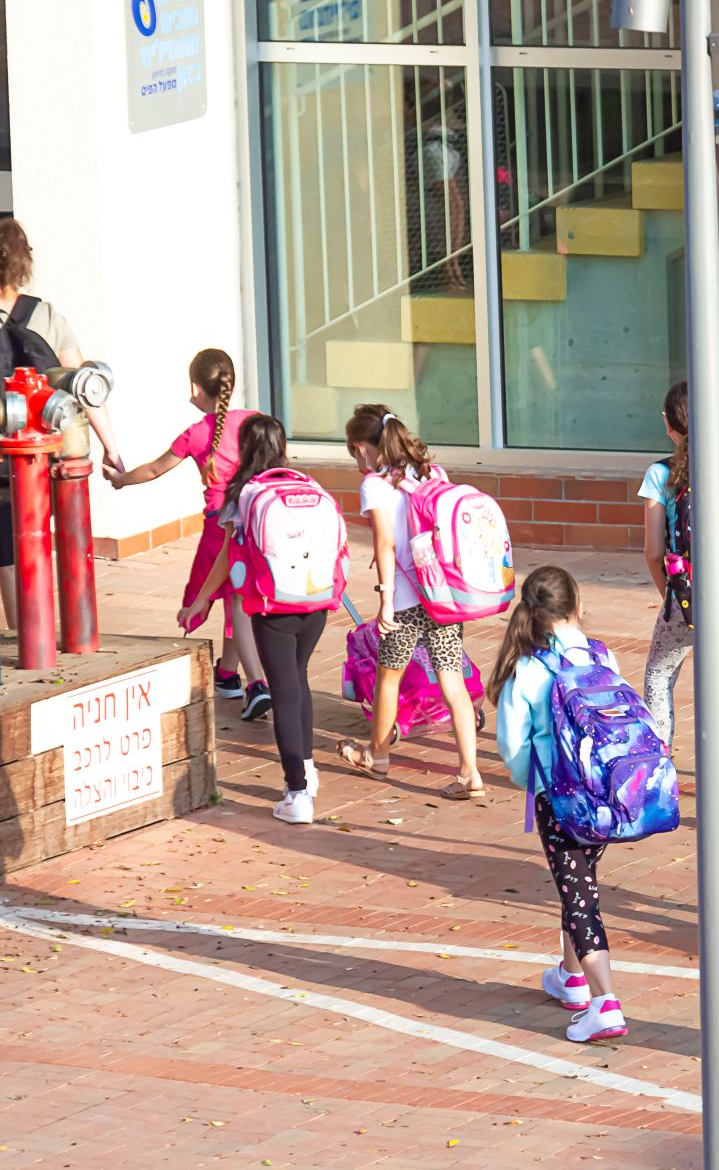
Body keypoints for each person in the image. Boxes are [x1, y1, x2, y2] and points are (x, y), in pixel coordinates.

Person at [0, 219, 125, 627]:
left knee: (6, 544)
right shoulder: (46, 315)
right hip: (54, 453)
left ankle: (23, 632)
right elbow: (84, 386)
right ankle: (66, 629)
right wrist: (111, 448)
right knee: (45, 534)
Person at [491, 566, 628, 1045]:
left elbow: (512, 745)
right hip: (606, 795)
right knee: (579, 883)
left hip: (561, 799)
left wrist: (531, 782)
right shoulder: (601, 655)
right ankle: (571, 978)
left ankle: (604, 1002)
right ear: (578, 605)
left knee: (579, 897)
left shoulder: (529, 669)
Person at [105, 349, 270, 720]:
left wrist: (120, 480)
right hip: (255, 522)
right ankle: (227, 675)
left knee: (231, 600)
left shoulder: (196, 434)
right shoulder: (253, 421)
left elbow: (154, 470)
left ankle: (255, 684)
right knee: (237, 597)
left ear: (196, 388)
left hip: (220, 529)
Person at [335, 404, 486, 800]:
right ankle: (470, 773)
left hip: (404, 599)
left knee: (388, 678)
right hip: (442, 595)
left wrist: (385, 599)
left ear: (363, 448)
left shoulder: (375, 485)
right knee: (451, 680)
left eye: (355, 452)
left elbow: (385, 542)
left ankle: (378, 756)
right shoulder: (433, 473)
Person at [180, 414, 324, 826]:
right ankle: (307, 770)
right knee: (298, 681)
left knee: (285, 692)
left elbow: (227, 557)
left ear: (244, 449)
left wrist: (200, 601)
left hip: (273, 607)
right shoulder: (307, 486)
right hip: (314, 603)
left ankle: (297, 793)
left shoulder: (243, 494)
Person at [639, 382, 719, 837]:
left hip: (685, 596)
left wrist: (671, 596)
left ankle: (658, 788)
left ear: (669, 426)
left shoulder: (660, 473)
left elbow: (653, 550)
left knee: (658, 678)